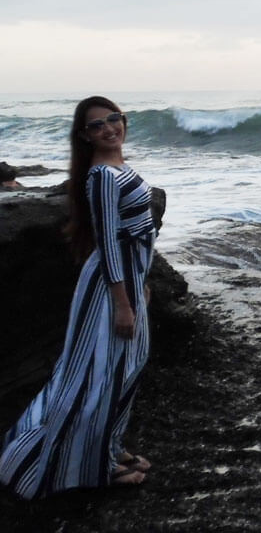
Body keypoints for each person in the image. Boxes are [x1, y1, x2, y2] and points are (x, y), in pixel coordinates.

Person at [0, 97, 157, 497]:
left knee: (123, 371)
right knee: (99, 377)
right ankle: (94, 466)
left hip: (127, 281)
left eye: (113, 119)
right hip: (109, 288)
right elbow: (107, 242)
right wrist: (123, 302)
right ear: (84, 136)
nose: (108, 128)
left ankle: (107, 448)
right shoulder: (103, 175)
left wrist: (143, 284)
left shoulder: (120, 168)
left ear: (124, 121)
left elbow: (134, 235)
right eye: (97, 125)